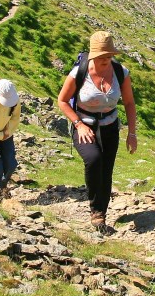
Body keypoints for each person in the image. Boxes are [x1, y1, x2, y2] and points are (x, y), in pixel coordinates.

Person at [57, 31, 137, 232]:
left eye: (109, 56)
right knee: (93, 160)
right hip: (83, 124)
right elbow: (62, 100)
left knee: (106, 169)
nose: (105, 60)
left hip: (110, 125)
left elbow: (129, 102)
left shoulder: (121, 72)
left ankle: (101, 213)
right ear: (92, 55)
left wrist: (132, 133)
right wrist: (78, 124)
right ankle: (95, 208)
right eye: (101, 57)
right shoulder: (79, 73)